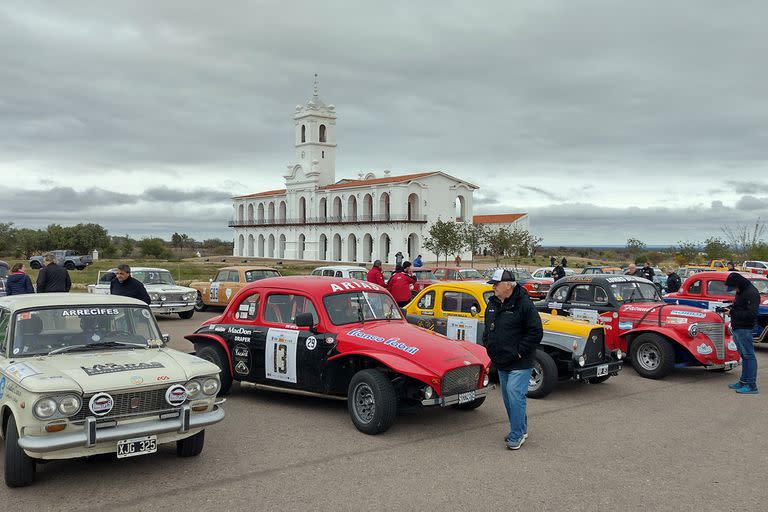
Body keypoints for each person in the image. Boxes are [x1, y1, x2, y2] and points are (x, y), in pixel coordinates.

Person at [483, 269, 543, 450]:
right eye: (492, 284)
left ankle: (516, 435)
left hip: (520, 361)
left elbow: (536, 332)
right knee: (509, 398)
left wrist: (519, 352)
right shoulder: (492, 303)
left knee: (515, 395)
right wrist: (488, 345)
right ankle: (521, 429)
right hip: (501, 360)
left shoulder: (524, 303)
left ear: (508, 285)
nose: (493, 287)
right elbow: (488, 328)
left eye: (496, 284)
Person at [725, 273, 759, 394]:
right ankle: (743, 381)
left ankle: (751, 385)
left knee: (749, 356)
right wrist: (730, 308)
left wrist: (732, 313)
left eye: (734, 287)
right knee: (744, 356)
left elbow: (752, 314)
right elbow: (740, 307)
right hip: (737, 327)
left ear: (739, 284)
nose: (734, 290)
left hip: (745, 328)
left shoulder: (752, 293)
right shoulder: (741, 291)